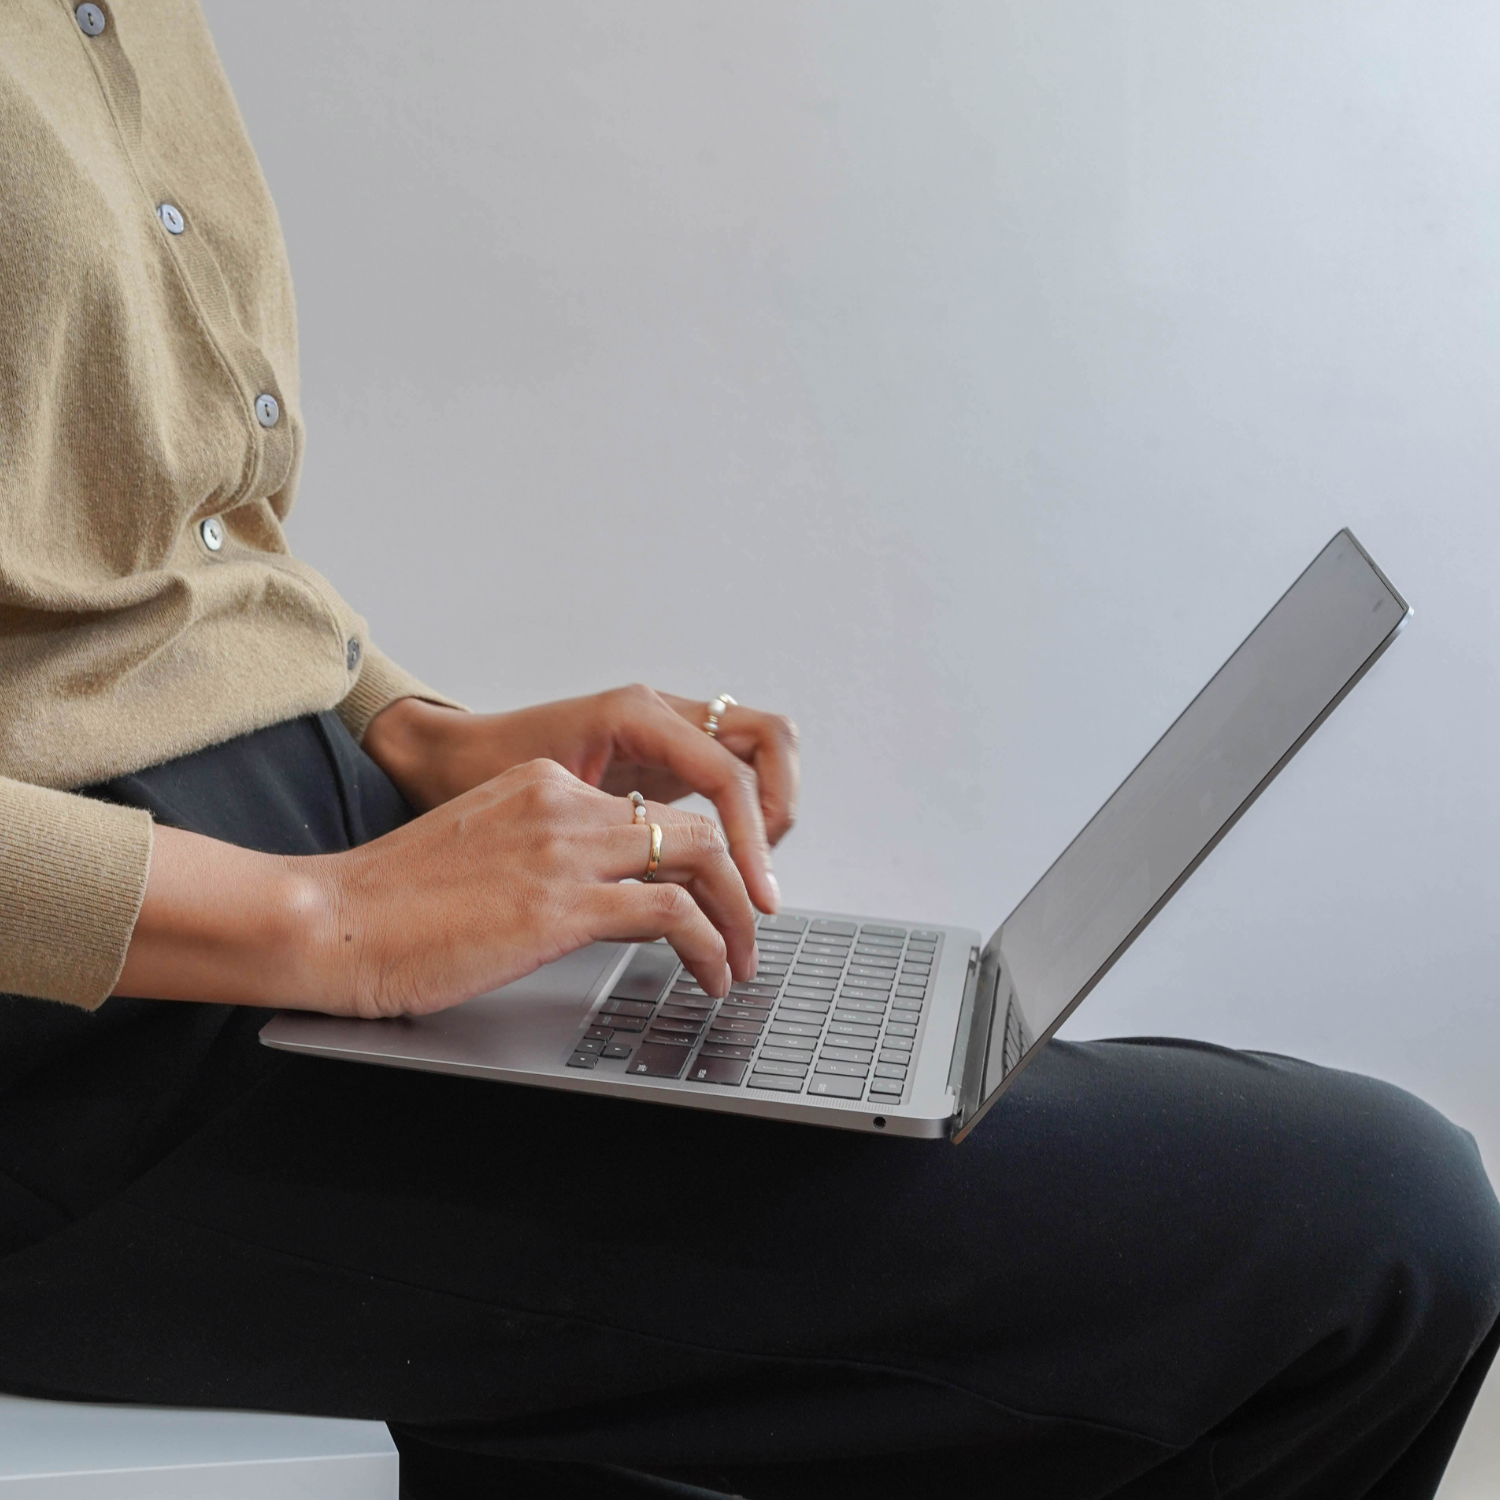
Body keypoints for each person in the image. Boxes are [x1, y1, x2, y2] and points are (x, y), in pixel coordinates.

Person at [2, 5, 1497, 1497]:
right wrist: (323, 921)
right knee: (1377, 1243)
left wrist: (409, 728)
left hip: (286, 886)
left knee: (1245, 1181)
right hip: (95, 1048)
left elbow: (164, 534)